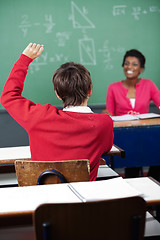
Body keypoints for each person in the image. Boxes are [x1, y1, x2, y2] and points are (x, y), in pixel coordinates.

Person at [1, 43, 114, 181]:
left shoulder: (39, 117)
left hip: (45, 199)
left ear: (58, 94)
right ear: (90, 89)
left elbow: (8, 96)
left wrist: (25, 59)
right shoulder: (103, 123)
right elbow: (106, 148)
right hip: (85, 199)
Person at [105, 49, 160, 180]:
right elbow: (110, 113)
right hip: (125, 135)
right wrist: (106, 114)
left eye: (134, 64)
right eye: (126, 63)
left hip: (146, 134)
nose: (129, 67)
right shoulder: (113, 87)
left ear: (141, 69)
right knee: (131, 166)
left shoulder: (149, 84)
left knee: (156, 157)